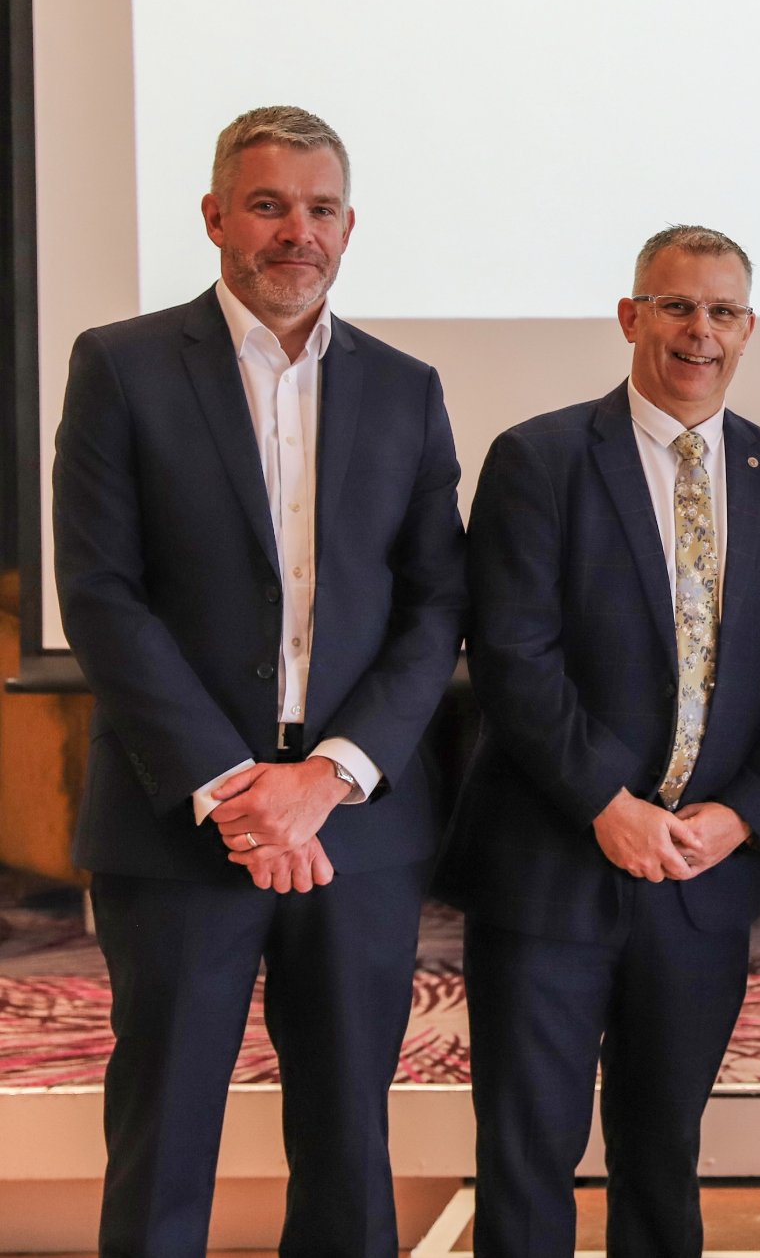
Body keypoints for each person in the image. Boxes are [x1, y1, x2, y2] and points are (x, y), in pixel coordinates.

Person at [52, 106, 467, 1257]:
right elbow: (99, 593)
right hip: (178, 820)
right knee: (164, 1144)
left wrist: (326, 777)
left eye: (321, 208)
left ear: (349, 226)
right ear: (215, 217)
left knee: (348, 1149)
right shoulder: (122, 367)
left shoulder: (405, 386)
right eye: (271, 204)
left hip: (356, 833)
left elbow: (436, 606)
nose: (298, 231)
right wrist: (239, 785)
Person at [437, 224, 760, 1257]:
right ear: (630, 316)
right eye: (675, 305)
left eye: (721, 311)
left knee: (662, 1155)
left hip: (700, 879)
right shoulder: (541, 457)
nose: (698, 331)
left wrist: (743, 813)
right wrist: (607, 804)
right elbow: (514, 656)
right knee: (527, 1155)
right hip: (552, 863)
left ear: (749, 328)